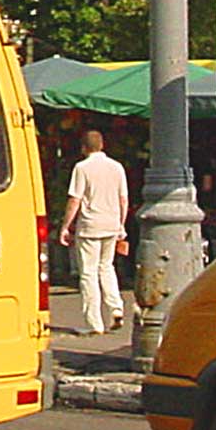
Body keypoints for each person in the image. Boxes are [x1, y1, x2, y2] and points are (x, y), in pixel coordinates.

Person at [60, 129, 130, 335]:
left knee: (88, 273)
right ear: (102, 145)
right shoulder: (117, 167)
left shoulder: (82, 168)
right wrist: (121, 224)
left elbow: (75, 199)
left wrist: (65, 226)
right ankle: (116, 308)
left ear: (84, 148)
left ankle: (95, 323)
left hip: (90, 225)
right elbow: (123, 199)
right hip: (112, 223)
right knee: (106, 267)